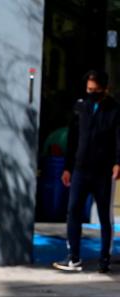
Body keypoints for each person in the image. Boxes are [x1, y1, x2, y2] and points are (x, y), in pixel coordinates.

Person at [55, 69, 118, 274]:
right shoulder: (81, 107)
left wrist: (117, 163)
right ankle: (73, 257)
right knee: (73, 211)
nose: (91, 92)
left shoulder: (114, 109)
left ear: (104, 89)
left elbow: (119, 139)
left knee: (104, 216)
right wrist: (67, 167)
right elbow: (72, 138)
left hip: (103, 172)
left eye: (95, 89)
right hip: (80, 169)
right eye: (88, 89)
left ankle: (104, 259)